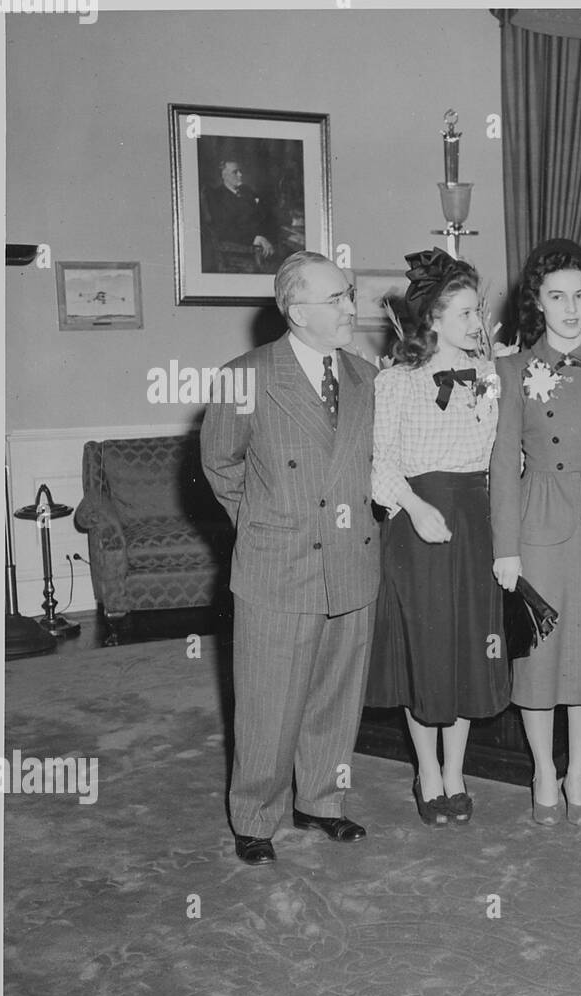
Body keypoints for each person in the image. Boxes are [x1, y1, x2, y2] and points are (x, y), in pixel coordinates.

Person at [201, 250, 381, 865]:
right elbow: (220, 467)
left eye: (349, 294)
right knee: (266, 698)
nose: (351, 307)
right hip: (279, 563)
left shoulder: (365, 376)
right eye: (336, 298)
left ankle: (322, 802)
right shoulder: (244, 378)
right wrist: (265, 525)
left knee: (336, 694)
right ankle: (255, 815)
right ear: (296, 309)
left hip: (352, 562)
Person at [365, 249, 510, 827]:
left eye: (479, 310)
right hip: (419, 526)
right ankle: (427, 772)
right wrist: (416, 508)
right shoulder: (396, 382)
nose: (477, 322)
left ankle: (457, 770)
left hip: (475, 524)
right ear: (433, 320)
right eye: (466, 312)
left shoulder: (492, 376)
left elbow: (504, 458)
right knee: (427, 651)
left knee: (468, 648)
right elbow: (381, 468)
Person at [490, 238, 581, 825]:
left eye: (579, 295)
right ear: (537, 303)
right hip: (538, 514)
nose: (569, 308)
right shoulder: (513, 368)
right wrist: (505, 548)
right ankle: (543, 768)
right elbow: (501, 463)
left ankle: (578, 769)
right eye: (556, 296)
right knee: (540, 659)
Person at [203, 158, 277, 272]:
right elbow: (224, 229)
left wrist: (263, 236)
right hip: (241, 249)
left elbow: (262, 217)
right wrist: (255, 238)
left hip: (262, 244)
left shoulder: (246, 191)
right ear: (224, 175)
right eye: (235, 172)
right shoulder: (216, 197)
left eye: (240, 171)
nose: (240, 175)